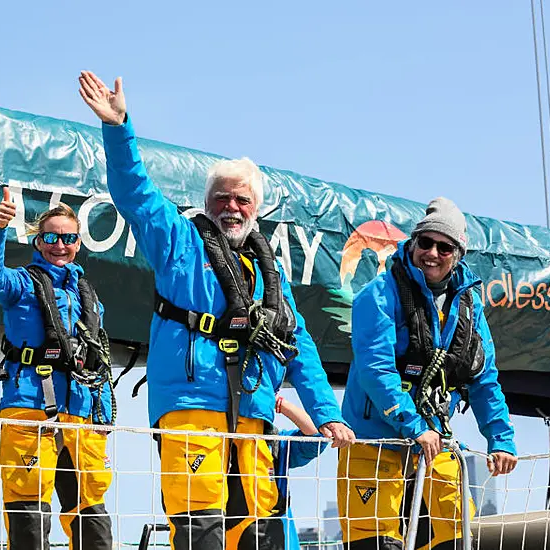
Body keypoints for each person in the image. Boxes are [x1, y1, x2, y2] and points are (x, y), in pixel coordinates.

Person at [78, 70, 353, 550]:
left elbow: (298, 344)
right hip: (190, 410)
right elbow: (136, 195)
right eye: (221, 197)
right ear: (206, 203)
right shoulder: (178, 243)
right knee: (200, 530)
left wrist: (326, 411)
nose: (231, 206)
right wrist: (119, 128)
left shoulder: (270, 276)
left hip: (252, 413)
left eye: (241, 199)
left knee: (259, 531)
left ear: (256, 209)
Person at [339, 197, 517, 550]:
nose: (432, 252)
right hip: (375, 442)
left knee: (458, 537)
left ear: (458, 254)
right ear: (413, 243)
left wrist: (501, 439)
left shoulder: (469, 305)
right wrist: (413, 425)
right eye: (425, 242)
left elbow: (484, 379)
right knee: (375, 544)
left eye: (444, 246)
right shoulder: (376, 296)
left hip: (435, 443)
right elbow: (376, 369)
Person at [0, 194, 114, 550]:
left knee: (91, 509)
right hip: (29, 406)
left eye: (68, 238)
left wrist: (104, 415)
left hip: (82, 414)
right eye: (51, 237)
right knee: (28, 510)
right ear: (38, 242)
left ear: (79, 244)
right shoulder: (21, 284)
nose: (59, 245)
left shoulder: (89, 297)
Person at [271, 396, 330, 550]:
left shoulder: (276, 444)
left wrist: (280, 403)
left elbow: (317, 437)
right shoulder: (215, 444)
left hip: (278, 540)